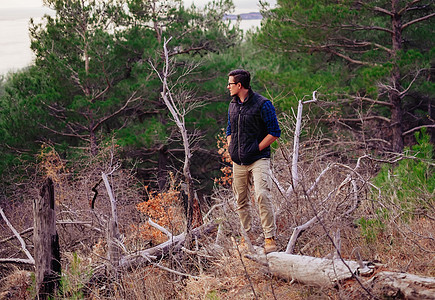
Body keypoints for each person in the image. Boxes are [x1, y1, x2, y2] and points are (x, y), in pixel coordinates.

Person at [225, 69, 281, 253]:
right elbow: (229, 129)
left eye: (230, 84)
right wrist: (231, 147)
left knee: (262, 195)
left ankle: (269, 238)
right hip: (238, 162)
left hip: (258, 159)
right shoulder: (232, 105)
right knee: (240, 200)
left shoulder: (263, 104)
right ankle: (245, 238)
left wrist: (255, 149)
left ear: (239, 85)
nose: (228, 87)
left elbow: (274, 132)